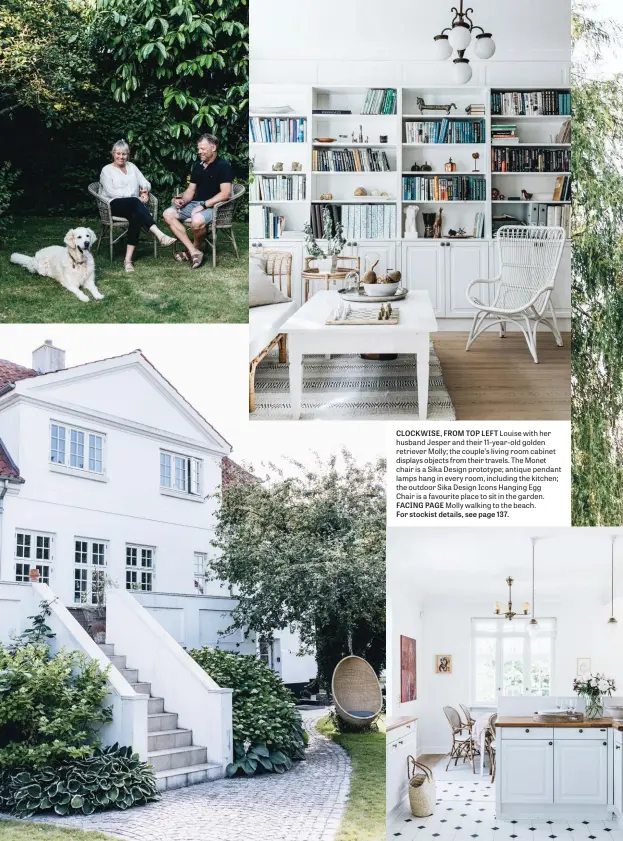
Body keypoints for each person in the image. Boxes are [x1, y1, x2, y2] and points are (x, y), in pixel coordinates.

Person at [99, 140, 176, 273]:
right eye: (118, 153)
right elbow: (111, 192)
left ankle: (128, 260)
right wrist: (136, 198)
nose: (121, 157)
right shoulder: (106, 170)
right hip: (113, 204)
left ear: (128, 155)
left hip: (134, 206)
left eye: (124, 154)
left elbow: (145, 182)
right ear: (113, 153)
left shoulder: (132, 167)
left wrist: (145, 191)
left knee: (136, 216)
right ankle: (160, 235)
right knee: (135, 202)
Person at [163, 134, 234, 269]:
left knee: (197, 221)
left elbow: (225, 194)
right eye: (198, 149)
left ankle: (193, 250)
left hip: (214, 206)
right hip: (195, 204)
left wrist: (203, 205)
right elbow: (190, 190)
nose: (199, 152)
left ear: (213, 148)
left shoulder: (223, 166)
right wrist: (182, 200)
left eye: (202, 149)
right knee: (168, 214)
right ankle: (194, 251)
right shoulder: (197, 166)